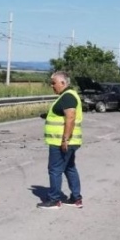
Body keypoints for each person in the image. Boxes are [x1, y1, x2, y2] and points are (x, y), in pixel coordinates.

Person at [37, 71, 83, 209]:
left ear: (63, 83)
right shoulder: (66, 96)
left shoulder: (68, 96)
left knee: (55, 169)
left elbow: (70, 117)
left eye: (54, 83)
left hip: (62, 142)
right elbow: (62, 116)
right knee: (69, 168)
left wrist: (65, 140)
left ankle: (54, 200)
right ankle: (76, 199)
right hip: (70, 141)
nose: (52, 86)